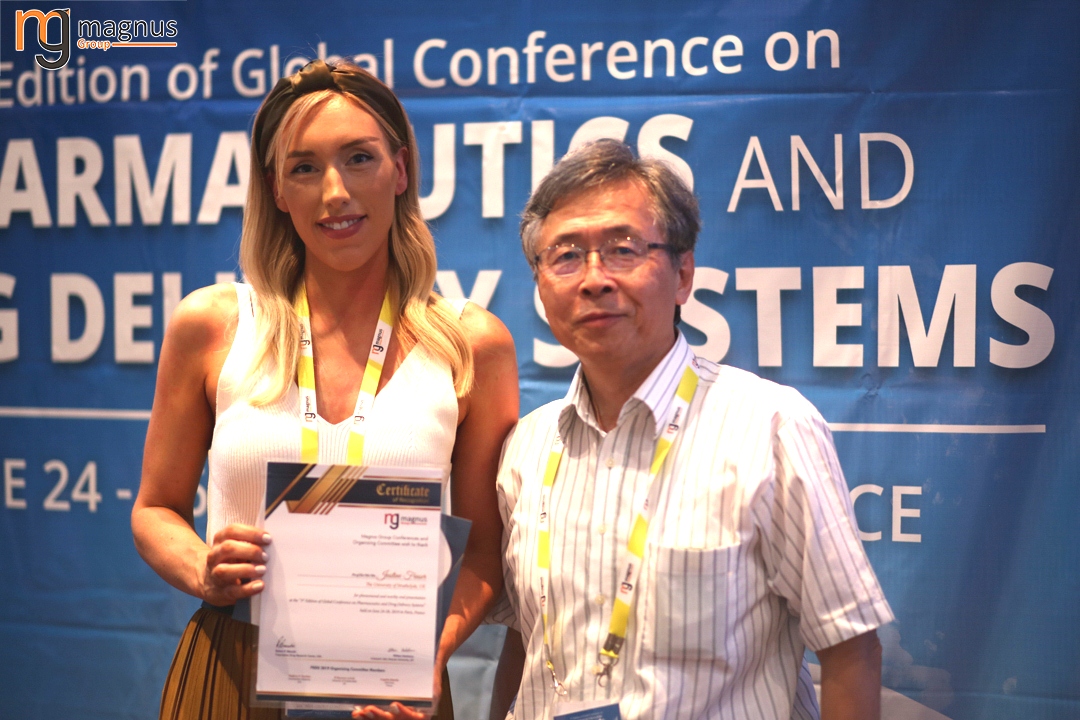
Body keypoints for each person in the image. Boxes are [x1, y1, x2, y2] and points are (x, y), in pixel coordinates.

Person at [131, 59, 518, 720]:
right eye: (305, 168)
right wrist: (202, 568)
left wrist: (431, 653)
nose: (334, 192)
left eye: (359, 158)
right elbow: (155, 510)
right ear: (277, 190)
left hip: (395, 687)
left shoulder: (471, 342)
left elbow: (484, 551)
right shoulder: (215, 325)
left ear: (400, 170)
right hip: (232, 669)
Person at [490, 139, 893, 720]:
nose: (594, 279)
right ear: (540, 282)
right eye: (566, 256)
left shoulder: (771, 428)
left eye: (623, 250)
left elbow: (850, 646)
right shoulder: (527, 447)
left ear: (683, 274)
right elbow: (526, 645)